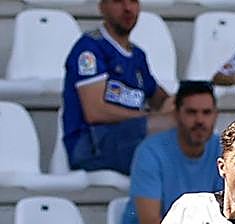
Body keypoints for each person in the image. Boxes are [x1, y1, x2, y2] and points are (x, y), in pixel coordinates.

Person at [62, 0, 174, 174]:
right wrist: (150, 117)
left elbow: (162, 99)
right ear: (102, 7)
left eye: (133, 1)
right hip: (91, 144)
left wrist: (180, 104)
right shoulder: (89, 48)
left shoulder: (138, 55)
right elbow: (95, 112)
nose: (128, 8)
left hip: (130, 139)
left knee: (191, 123)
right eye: (118, 1)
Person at [119, 80, 224, 224]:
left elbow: (230, 216)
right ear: (176, 115)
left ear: (216, 116)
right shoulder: (150, 152)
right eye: (191, 112)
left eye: (206, 112)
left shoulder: (223, 150)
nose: (200, 120)